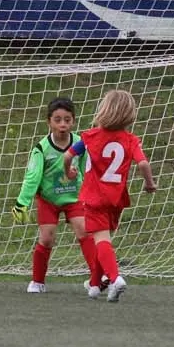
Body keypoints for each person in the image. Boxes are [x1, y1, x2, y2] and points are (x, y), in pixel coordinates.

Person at [63, 89, 157, 302]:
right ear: (129, 114)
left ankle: (115, 279)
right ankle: (95, 285)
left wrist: (68, 172)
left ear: (104, 110)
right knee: (102, 239)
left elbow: (67, 156)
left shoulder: (90, 136)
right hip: (116, 198)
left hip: (95, 197)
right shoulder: (131, 140)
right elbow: (143, 163)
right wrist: (149, 183)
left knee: (101, 240)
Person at [12, 97, 98, 294]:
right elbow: (32, 177)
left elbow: (88, 170)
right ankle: (37, 281)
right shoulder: (41, 148)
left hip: (74, 197)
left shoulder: (80, 143)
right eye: (57, 120)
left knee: (84, 231)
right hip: (48, 200)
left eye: (67, 120)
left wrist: (92, 194)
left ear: (73, 121)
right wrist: (22, 203)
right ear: (49, 122)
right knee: (47, 238)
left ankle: (97, 279)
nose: (62, 124)